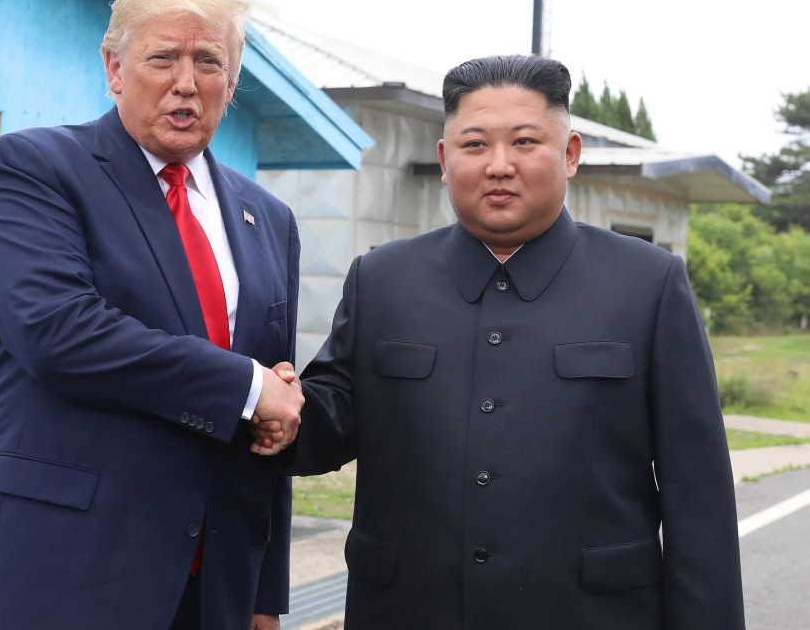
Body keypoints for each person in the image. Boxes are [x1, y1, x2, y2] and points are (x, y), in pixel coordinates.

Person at [257, 54, 745, 628]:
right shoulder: (382, 278)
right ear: (444, 160)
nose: (498, 165)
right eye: (474, 145)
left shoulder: (648, 283)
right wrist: (281, 411)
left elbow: (699, 496)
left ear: (569, 153)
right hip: (409, 610)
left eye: (524, 141)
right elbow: (332, 417)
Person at [0, 0, 303, 630]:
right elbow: (60, 334)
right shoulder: (36, 168)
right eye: (164, 58)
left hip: (215, 585)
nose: (187, 82)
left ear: (231, 83)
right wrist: (245, 385)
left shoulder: (268, 217)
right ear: (114, 68)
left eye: (209, 61)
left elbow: (271, 417)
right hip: (64, 569)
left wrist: (266, 593)